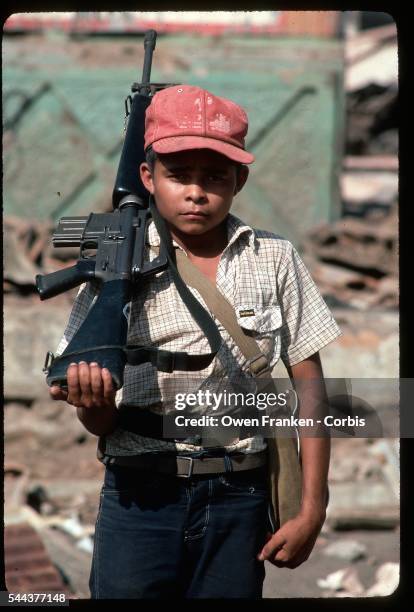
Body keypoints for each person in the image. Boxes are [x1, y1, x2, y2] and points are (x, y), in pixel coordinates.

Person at [50, 84, 342, 599]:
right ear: (148, 177)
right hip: (139, 495)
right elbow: (95, 416)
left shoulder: (274, 258)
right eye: (178, 175)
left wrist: (312, 507)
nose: (196, 192)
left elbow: (310, 386)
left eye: (214, 178)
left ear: (239, 181)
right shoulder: (115, 262)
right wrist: (90, 400)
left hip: (240, 495)